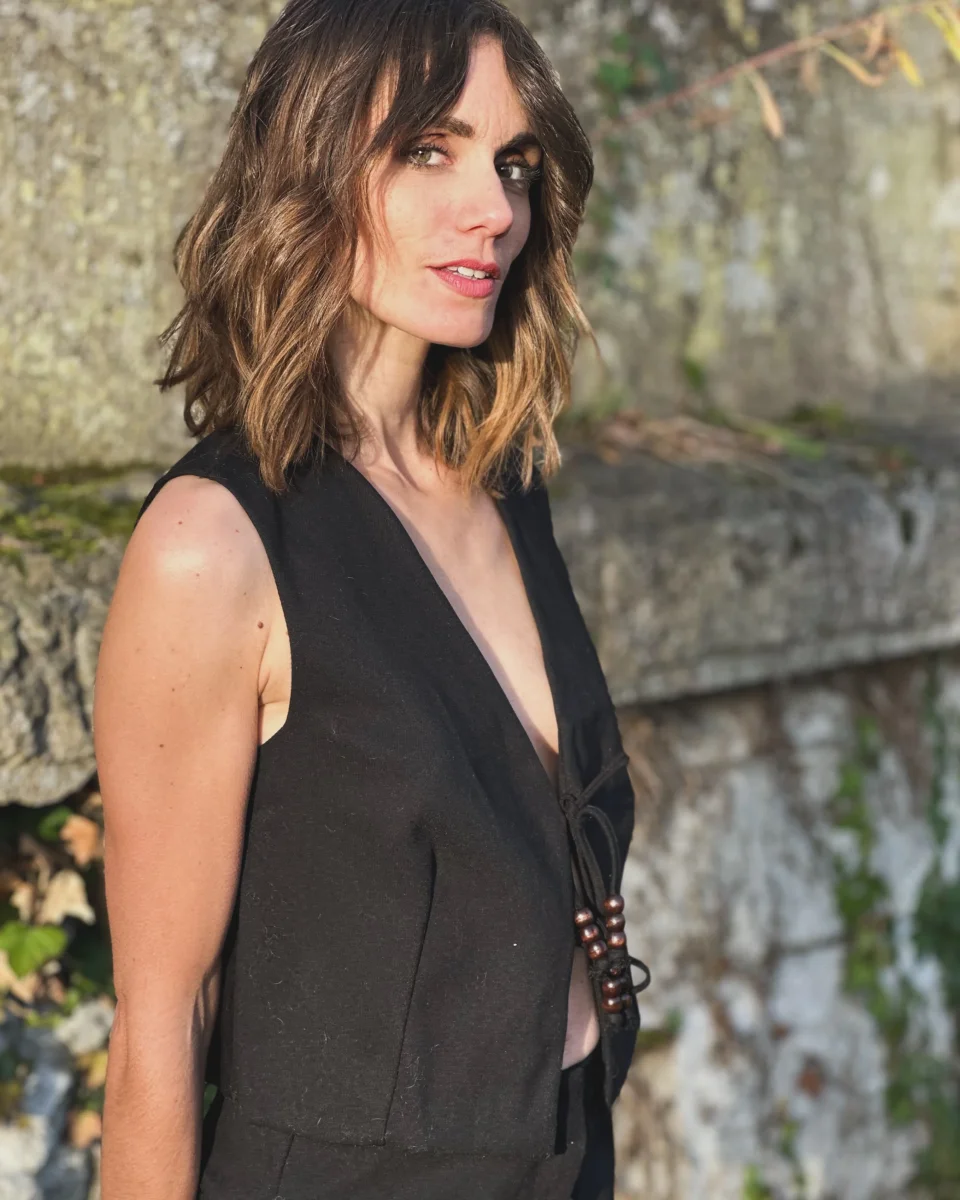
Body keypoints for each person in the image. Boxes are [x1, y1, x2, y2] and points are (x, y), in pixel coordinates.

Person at [93, 1, 650, 1197]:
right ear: (307, 166)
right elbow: (160, 1019)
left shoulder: (505, 483)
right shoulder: (215, 545)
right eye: (428, 151)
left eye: (513, 163)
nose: (494, 209)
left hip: (566, 1153)